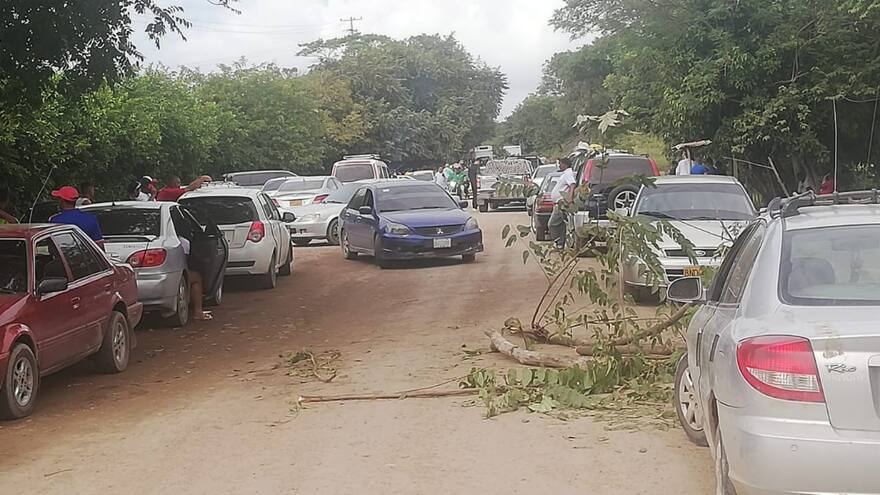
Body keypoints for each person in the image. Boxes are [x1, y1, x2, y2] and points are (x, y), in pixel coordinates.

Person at [178, 236, 212, 321]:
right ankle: (198, 312)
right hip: (172, 276)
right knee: (196, 277)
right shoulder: (182, 242)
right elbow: (183, 264)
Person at [548, 158, 577, 249]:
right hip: (558, 203)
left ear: (565, 164)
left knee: (552, 224)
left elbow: (572, 184)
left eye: (560, 164)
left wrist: (570, 197)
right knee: (561, 225)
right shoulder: (565, 174)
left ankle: (559, 242)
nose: (559, 165)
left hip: (561, 203)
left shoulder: (568, 173)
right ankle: (560, 244)